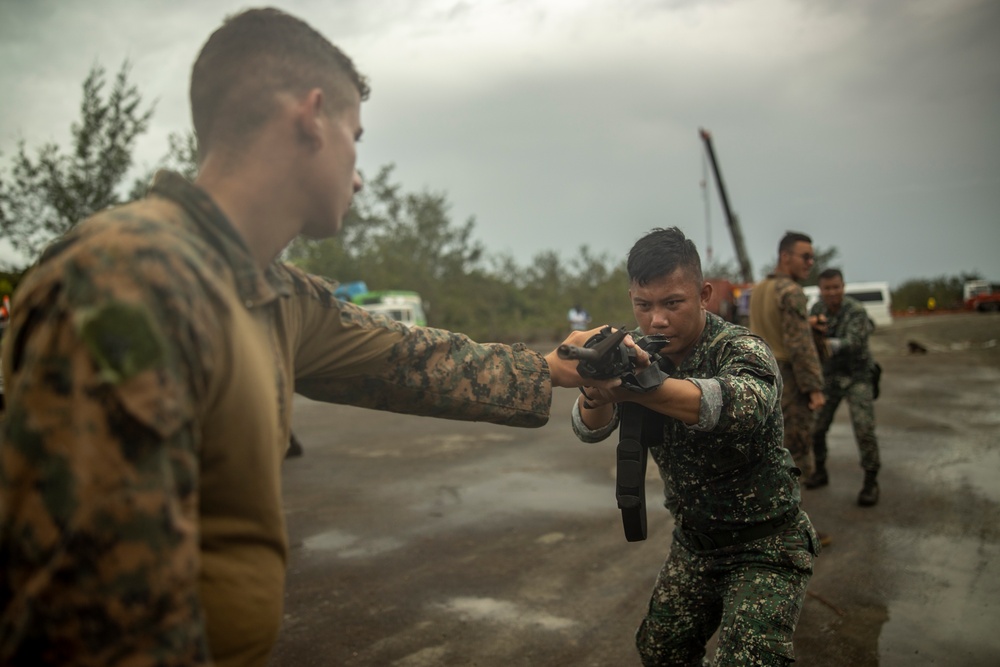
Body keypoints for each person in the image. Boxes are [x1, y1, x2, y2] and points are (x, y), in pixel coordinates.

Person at [0, 9, 627, 666]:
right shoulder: (126, 279)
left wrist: (553, 366)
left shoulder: (276, 293)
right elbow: (96, 614)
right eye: (355, 137)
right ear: (312, 115)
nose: (357, 174)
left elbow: (408, 359)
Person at [572, 227, 820, 666]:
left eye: (672, 303)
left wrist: (643, 389)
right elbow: (589, 428)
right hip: (695, 545)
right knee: (660, 650)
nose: (657, 320)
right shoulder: (640, 350)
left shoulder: (740, 348)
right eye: (643, 305)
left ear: (704, 294)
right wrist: (596, 389)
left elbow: (740, 406)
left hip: (765, 545)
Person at [748, 231, 826, 481]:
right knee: (795, 455)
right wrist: (813, 388)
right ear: (785, 256)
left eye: (811, 258)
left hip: (762, 376)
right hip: (789, 382)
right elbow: (799, 346)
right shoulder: (791, 291)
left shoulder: (759, 289)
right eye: (805, 257)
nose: (810, 263)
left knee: (769, 449)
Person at [806, 268, 881, 506]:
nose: (832, 292)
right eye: (827, 288)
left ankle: (871, 482)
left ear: (843, 287)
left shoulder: (856, 311)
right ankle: (820, 470)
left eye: (836, 287)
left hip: (857, 376)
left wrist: (826, 344)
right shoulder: (817, 310)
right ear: (821, 290)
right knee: (816, 428)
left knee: (863, 430)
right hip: (830, 377)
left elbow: (855, 342)